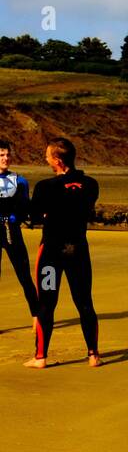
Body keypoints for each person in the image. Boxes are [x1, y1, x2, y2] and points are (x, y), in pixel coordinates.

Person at [26, 138, 100, 369]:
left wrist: (48, 215)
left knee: (46, 303)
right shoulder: (91, 184)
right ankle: (93, 355)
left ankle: (40, 357)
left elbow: (34, 217)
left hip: (51, 254)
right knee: (84, 302)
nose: (45, 159)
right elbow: (85, 209)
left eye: (48, 156)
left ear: (57, 160)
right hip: (77, 251)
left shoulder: (45, 187)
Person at [0, 139, 40, 326]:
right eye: (1, 155)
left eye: (8, 155)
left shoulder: (19, 181)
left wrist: (18, 216)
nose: (6, 158)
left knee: (23, 274)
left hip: (11, 229)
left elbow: (25, 206)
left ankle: (37, 315)